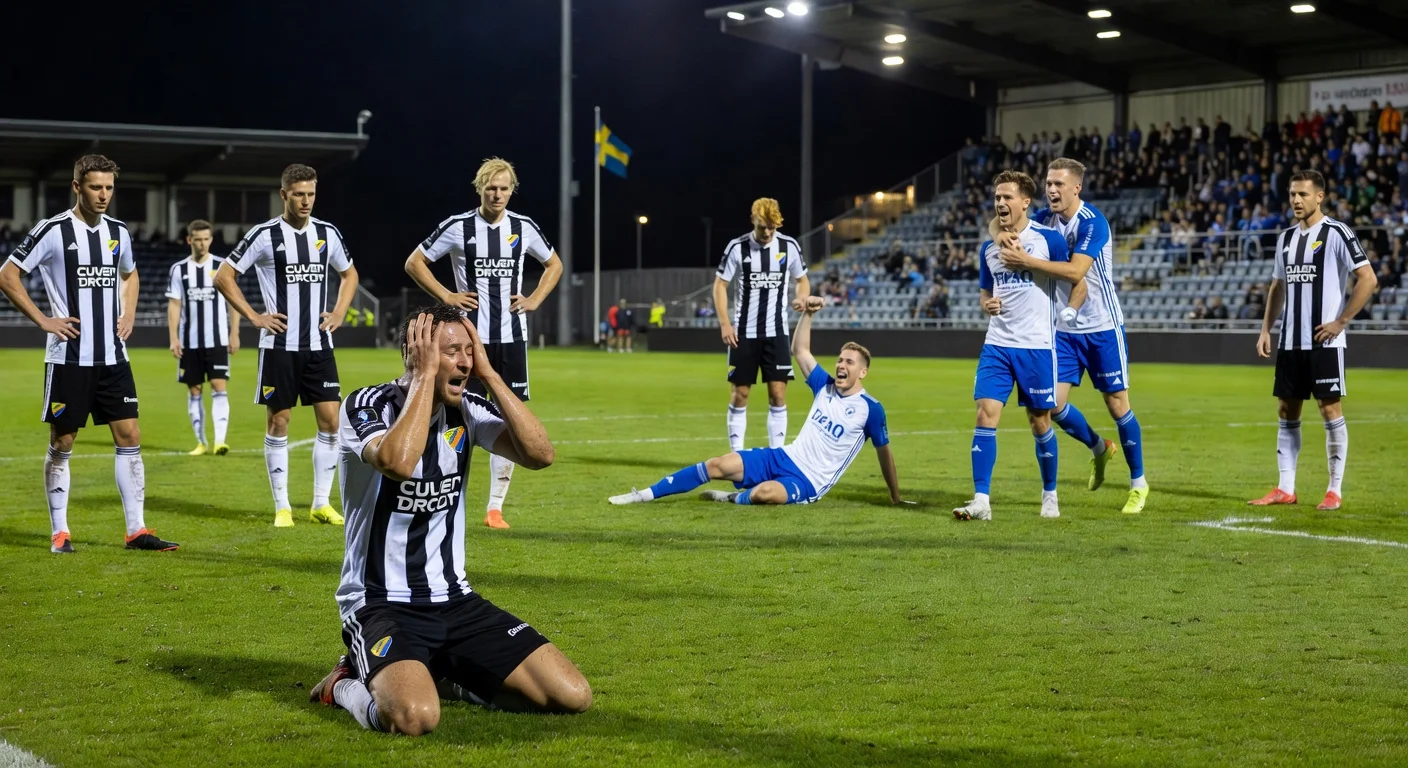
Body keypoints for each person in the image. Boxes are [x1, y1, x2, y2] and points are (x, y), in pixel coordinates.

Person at [308, 305, 590, 735]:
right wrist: (423, 377)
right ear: (415, 352)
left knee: (571, 695)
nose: (465, 362)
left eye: (469, 351)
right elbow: (398, 463)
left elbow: (540, 455)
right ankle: (343, 685)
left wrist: (490, 374)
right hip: (380, 602)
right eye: (452, 351)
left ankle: (443, 675)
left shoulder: (469, 409)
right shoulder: (366, 405)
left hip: (456, 600)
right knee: (414, 718)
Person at [0, 154, 177, 552]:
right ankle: (60, 532)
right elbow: (8, 275)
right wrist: (44, 320)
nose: (103, 195)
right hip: (69, 358)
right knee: (64, 441)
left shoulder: (118, 231)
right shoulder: (53, 230)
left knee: (130, 435)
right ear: (77, 187)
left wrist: (128, 312)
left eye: (109, 188)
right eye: (96, 187)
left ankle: (137, 531)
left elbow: (130, 274)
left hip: (114, 357)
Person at [608, 297, 907, 507]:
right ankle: (643, 495)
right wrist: (809, 314)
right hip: (783, 456)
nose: (841, 365)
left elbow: (885, 454)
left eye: (849, 362)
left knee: (764, 493)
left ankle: (733, 497)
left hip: (808, 481)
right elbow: (800, 351)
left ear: (863, 372)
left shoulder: (871, 410)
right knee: (718, 464)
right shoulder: (825, 386)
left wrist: (895, 496)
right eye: (840, 360)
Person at [403, 157, 563, 530]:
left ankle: (494, 508)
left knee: (510, 418)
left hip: (512, 339)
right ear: (480, 189)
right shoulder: (458, 226)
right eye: (491, 188)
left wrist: (534, 300)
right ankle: (439, 492)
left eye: (504, 188)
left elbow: (554, 264)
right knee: (451, 414)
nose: (497, 194)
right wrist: (447, 295)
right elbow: (414, 262)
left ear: (512, 191)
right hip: (466, 343)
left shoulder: (523, 227)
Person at [989, 158, 1149, 514]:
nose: (1051, 190)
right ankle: (1099, 447)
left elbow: (1077, 271)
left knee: (1117, 404)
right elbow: (999, 221)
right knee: (1052, 405)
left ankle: (1138, 483)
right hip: (1061, 330)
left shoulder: (1093, 222)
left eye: (1059, 184)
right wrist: (999, 234)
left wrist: (1027, 262)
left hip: (1101, 326)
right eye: (1048, 183)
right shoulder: (1044, 218)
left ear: (1077, 188)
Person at [215, 163, 360, 528]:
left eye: (311, 194)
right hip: (279, 346)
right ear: (284, 195)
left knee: (331, 422)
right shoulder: (265, 235)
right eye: (298, 195)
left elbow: (349, 273)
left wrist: (339, 311)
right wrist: (254, 316)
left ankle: (320, 503)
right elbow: (224, 276)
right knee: (279, 421)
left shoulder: (327, 233)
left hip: (319, 345)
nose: (306, 201)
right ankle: (282, 506)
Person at [1251, 170, 1377, 511]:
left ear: (1319, 197)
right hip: (1291, 341)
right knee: (1286, 409)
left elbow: (1367, 278)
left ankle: (1334, 490)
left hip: (1325, 342)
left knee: (1329, 409)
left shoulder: (1337, 232)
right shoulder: (1286, 239)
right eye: (1293, 194)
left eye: (1303, 194)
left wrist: (1341, 321)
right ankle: (1285, 488)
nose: (1296, 200)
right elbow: (1278, 286)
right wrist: (1265, 329)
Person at [954, 171, 1074, 522]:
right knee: (985, 413)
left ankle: (1050, 493)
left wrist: (1069, 311)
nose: (1001, 203)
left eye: (1007, 197)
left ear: (1025, 202)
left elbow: (1073, 274)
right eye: (997, 197)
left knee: (1040, 421)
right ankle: (981, 500)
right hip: (998, 343)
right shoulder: (988, 248)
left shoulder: (1047, 239)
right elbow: (985, 291)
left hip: (1036, 345)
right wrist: (987, 304)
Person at [714, 198, 811, 452]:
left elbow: (802, 280)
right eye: (762, 227)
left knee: (778, 395)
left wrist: (801, 297)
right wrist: (725, 324)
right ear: (752, 221)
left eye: (772, 227)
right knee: (740, 394)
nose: (767, 233)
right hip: (743, 333)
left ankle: (776, 455)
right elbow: (720, 285)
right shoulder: (737, 247)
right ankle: (737, 456)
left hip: (777, 332)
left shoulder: (789, 246)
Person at [167, 219, 240, 456]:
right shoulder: (179, 270)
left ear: (211, 240)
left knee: (219, 386)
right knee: (195, 390)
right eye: (197, 239)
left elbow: (234, 302)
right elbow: (174, 305)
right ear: (189, 240)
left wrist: (234, 333)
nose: (202, 244)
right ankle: (201, 442)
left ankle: (220, 441)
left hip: (217, 340)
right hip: (190, 342)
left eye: (206, 239)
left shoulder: (221, 267)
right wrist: (174, 338)